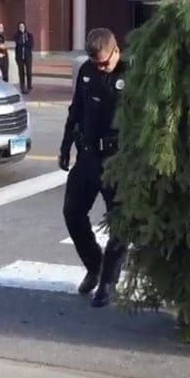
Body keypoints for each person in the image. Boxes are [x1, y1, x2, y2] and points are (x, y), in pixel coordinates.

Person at [58, 27, 128, 308]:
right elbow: (76, 111)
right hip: (87, 158)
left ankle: (108, 281)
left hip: (117, 161)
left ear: (116, 50)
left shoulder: (130, 74)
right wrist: (65, 147)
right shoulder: (87, 72)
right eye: (95, 62)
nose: (100, 67)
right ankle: (94, 264)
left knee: (119, 222)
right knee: (72, 212)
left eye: (104, 62)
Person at [14, 22, 34, 93]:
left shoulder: (29, 35)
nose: (21, 28)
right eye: (20, 27)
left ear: (25, 27)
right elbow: (17, 44)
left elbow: (31, 45)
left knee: (28, 71)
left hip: (27, 56)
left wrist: (24, 43)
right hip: (20, 57)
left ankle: (29, 85)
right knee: (21, 71)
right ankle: (22, 86)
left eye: (22, 26)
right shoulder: (16, 36)